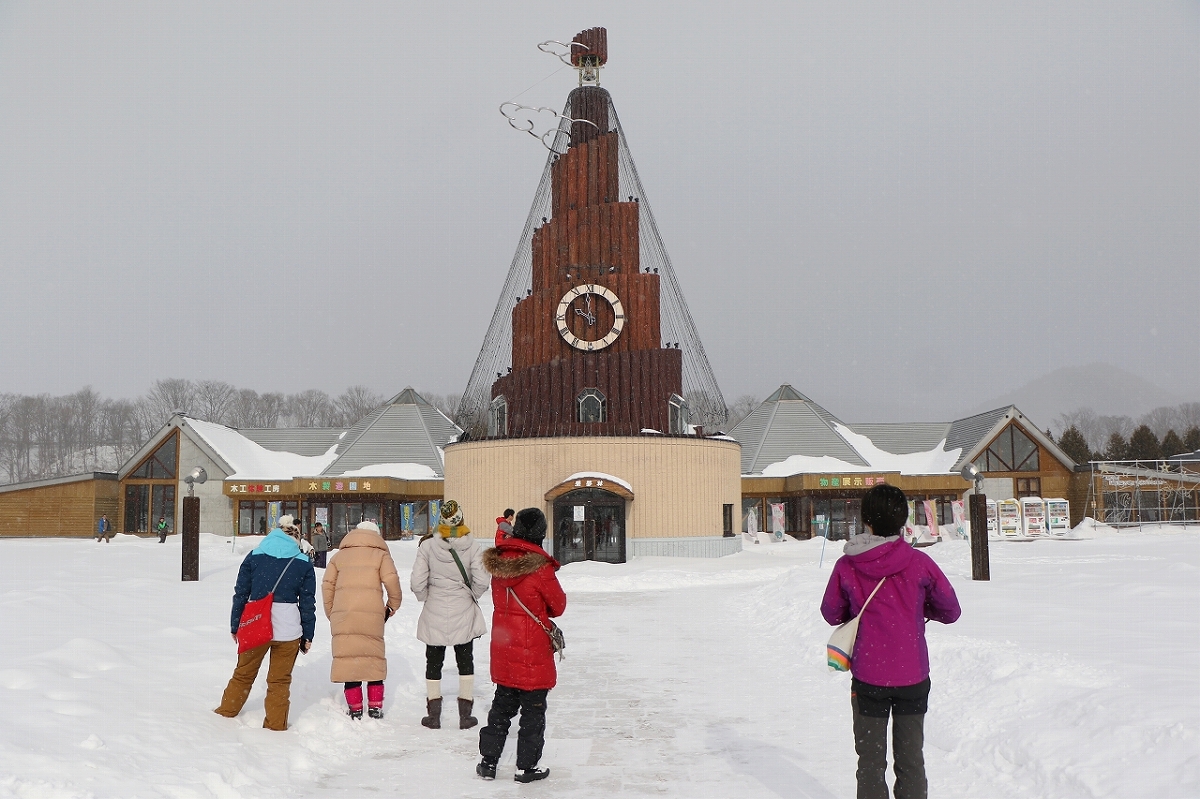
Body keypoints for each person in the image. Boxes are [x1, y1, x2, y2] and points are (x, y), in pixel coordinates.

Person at [821, 485, 961, 799]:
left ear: (866, 518)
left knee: (870, 762)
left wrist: (856, 610)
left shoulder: (848, 564)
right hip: (912, 676)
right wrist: (917, 608)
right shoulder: (918, 562)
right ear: (902, 519)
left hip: (869, 676)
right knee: (911, 761)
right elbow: (951, 611)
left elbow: (831, 612)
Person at [476, 507, 566, 783]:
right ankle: (526, 767)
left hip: (505, 646)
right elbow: (558, 606)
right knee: (533, 712)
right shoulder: (539, 568)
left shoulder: (499, 565)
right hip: (533, 650)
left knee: (501, 707)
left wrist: (503, 525)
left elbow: (503, 541)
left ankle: (488, 762)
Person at [215, 514, 316, 731]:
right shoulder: (303, 562)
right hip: (288, 629)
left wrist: (235, 625)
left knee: (243, 674)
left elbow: (241, 593)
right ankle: (275, 726)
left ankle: (225, 715)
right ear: (296, 538)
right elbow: (307, 602)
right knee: (279, 681)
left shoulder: (254, 556)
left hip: (255, 624)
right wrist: (308, 634)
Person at [412, 500, 490, 730]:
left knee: (433, 661)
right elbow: (483, 581)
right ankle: (465, 716)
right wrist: (470, 595)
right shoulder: (473, 546)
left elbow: (417, 582)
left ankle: (433, 716)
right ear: (461, 519)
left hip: (434, 608)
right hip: (463, 609)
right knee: (465, 660)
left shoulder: (427, 546)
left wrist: (426, 596)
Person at [322, 520, 402, 719]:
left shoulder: (339, 556)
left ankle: (355, 708)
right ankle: (375, 707)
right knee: (373, 660)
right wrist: (392, 606)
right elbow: (392, 580)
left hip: (344, 615)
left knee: (349, 662)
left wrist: (332, 612)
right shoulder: (381, 555)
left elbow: (327, 585)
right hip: (372, 614)